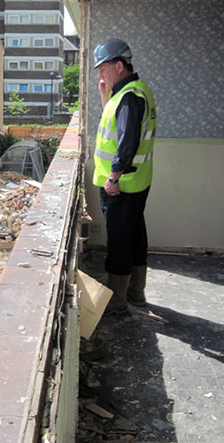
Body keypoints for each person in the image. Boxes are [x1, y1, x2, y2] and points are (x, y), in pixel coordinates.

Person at [92, 39, 156, 314]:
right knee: (134, 234)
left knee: (119, 239)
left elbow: (126, 141)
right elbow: (119, 127)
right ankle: (136, 294)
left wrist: (114, 177)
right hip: (137, 182)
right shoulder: (135, 92)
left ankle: (117, 302)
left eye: (103, 68)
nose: (100, 74)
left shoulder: (130, 96)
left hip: (122, 185)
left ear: (119, 66)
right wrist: (104, 95)